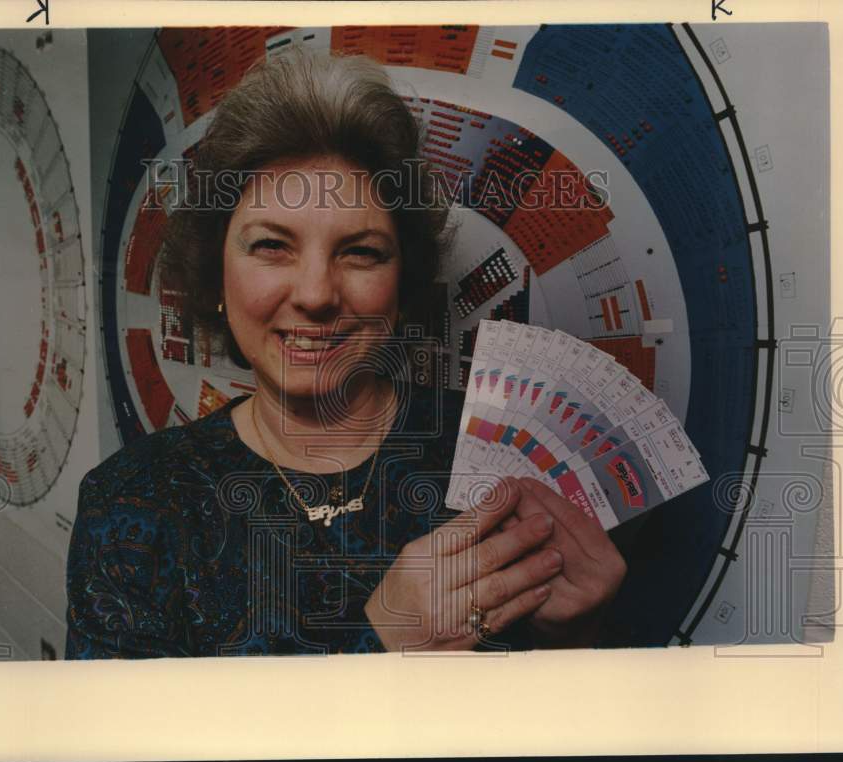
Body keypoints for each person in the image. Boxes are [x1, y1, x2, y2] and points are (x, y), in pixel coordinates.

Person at [65, 46, 626, 658]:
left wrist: (575, 639)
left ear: (402, 283)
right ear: (215, 273)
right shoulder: (132, 502)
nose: (316, 295)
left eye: (360, 252)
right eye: (272, 246)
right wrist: (382, 644)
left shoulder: (495, 462)